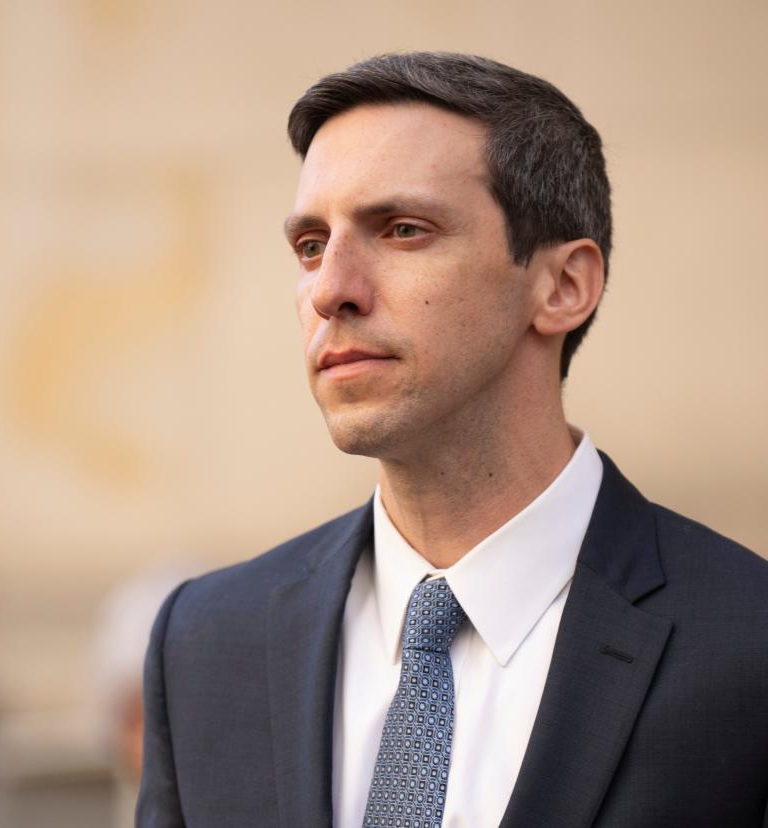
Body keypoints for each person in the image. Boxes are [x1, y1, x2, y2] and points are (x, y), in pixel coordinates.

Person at [136, 52, 768, 828]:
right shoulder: (205, 644)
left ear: (563, 286)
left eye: (403, 230)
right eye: (309, 245)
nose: (330, 289)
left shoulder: (747, 645)